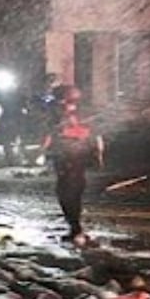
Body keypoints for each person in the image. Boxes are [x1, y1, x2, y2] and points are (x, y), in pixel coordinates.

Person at [41, 87, 104, 246]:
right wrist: (98, 155)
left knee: (66, 193)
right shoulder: (85, 114)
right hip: (77, 159)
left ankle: (75, 228)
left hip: (67, 158)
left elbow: (50, 135)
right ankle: (75, 227)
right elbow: (97, 137)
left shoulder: (57, 115)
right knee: (74, 192)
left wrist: (42, 152)